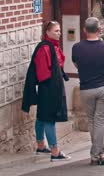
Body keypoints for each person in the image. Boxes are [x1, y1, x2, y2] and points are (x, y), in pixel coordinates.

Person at [21, 21, 71, 162]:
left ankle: (41, 146)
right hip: (48, 88)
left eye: (59, 30)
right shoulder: (44, 49)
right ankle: (55, 152)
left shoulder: (52, 46)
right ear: (47, 32)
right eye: (56, 31)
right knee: (49, 119)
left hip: (50, 87)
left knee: (42, 117)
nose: (59, 33)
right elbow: (43, 74)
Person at [72, 17, 104, 165]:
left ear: (84, 30)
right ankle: (99, 153)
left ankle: (98, 153)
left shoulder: (77, 48)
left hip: (86, 88)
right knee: (100, 120)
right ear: (99, 30)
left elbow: (76, 64)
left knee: (92, 120)